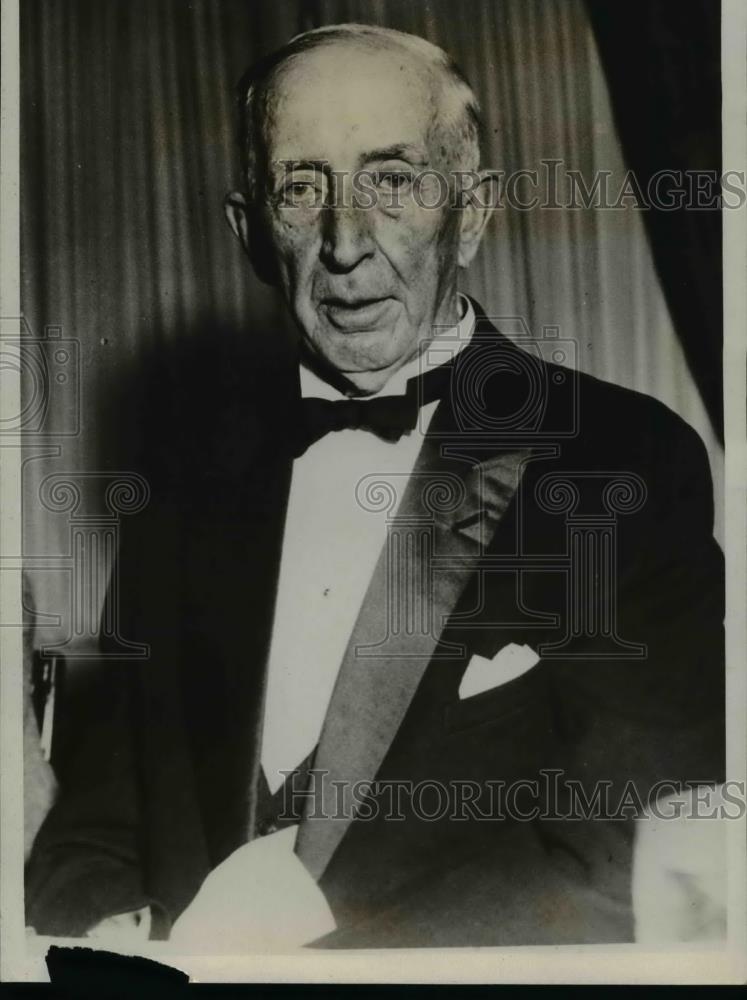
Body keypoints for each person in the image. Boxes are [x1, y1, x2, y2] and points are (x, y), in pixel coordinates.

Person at [26, 23, 724, 948]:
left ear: (470, 212)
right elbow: (99, 827)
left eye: (391, 180)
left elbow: (625, 852)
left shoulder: (622, 460)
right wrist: (115, 931)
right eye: (301, 187)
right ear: (247, 231)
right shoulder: (185, 489)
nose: (345, 241)